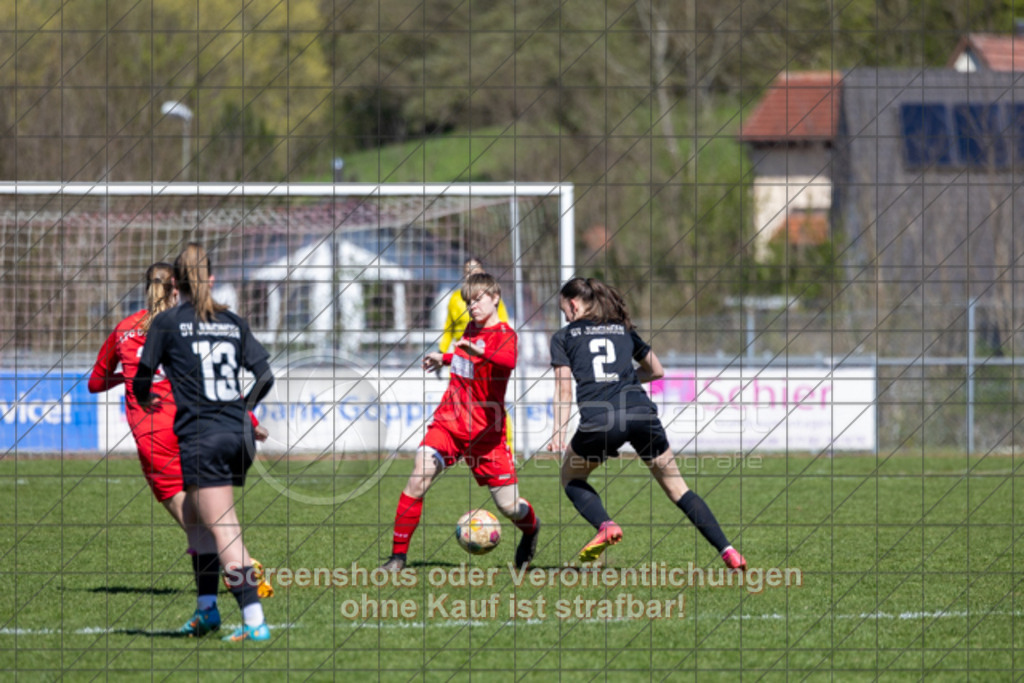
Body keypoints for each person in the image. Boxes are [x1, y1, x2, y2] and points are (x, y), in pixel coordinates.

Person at [88, 263, 274, 619]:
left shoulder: (125, 329)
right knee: (214, 514)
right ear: (177, 289)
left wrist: (128, 378)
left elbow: (95, 383)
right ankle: (241, 577)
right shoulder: (187, 327)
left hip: (153, 437)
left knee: (198, 523)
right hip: (192, 426)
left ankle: (241, 575)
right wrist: (249, 418)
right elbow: (211, 383)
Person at [547, 277, 746, 570]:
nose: (565, 315)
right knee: (679, 489)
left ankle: (605, 526)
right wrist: (622, 379)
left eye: (564, 309)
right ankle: (728, 550)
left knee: (571, 479)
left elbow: (563, 389)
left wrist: (557, 433)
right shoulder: (622, 328)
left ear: (573, 304)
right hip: (641, 413)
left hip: (601, 419)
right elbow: (656, 370)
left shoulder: (563, 337)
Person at [134, 243, 276, 643]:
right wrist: (240, 407)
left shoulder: (167, 322)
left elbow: (143, 378)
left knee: (224, 529)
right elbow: (265, 376)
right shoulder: (232, 320)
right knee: (198, 523)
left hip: (203, 437)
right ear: (211, 279)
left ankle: (254, 622)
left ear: (175, 283)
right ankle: (206, 611)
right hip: (239, 434)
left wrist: (146, 397)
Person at [382, 272, 540, 571]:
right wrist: (443, 357)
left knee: (509, 507)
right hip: (449, 424)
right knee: (418, 477)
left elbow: (508, 361)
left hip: (487, 435)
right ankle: (397, 557)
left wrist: (483, 352)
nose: (473, 306)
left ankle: (531, 529)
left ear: (495, 298)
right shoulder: (469, 329)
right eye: (469, 301)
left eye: (478, 299)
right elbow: (464, 359)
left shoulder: (506, 335)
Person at [439, 257, 509, 354]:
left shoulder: (491, 297)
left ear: (483, 272)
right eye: (468, 272)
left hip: (486, 351)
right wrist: (442, 351)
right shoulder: (455, 298)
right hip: (462, 354)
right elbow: (448, 328)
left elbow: (503, 325)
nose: (471, 275)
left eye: (475, 271)